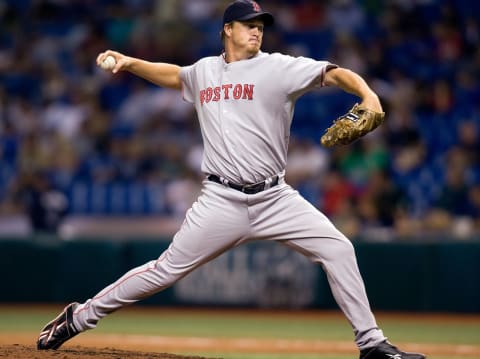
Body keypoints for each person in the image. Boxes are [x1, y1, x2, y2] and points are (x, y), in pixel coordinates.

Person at [37, 1, 426, 358]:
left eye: (261, 25)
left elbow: (334, 72)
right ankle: (79, 317)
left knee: (339, 249)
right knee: (164, 271)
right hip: (220, 201)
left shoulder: (278, 67)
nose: (257, 31)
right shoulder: (205, 70)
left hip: (275, 198)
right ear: (227, 29)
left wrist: (369, 95)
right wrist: (130, 62)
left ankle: (371, 344)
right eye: (248, 25)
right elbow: (175, 75)